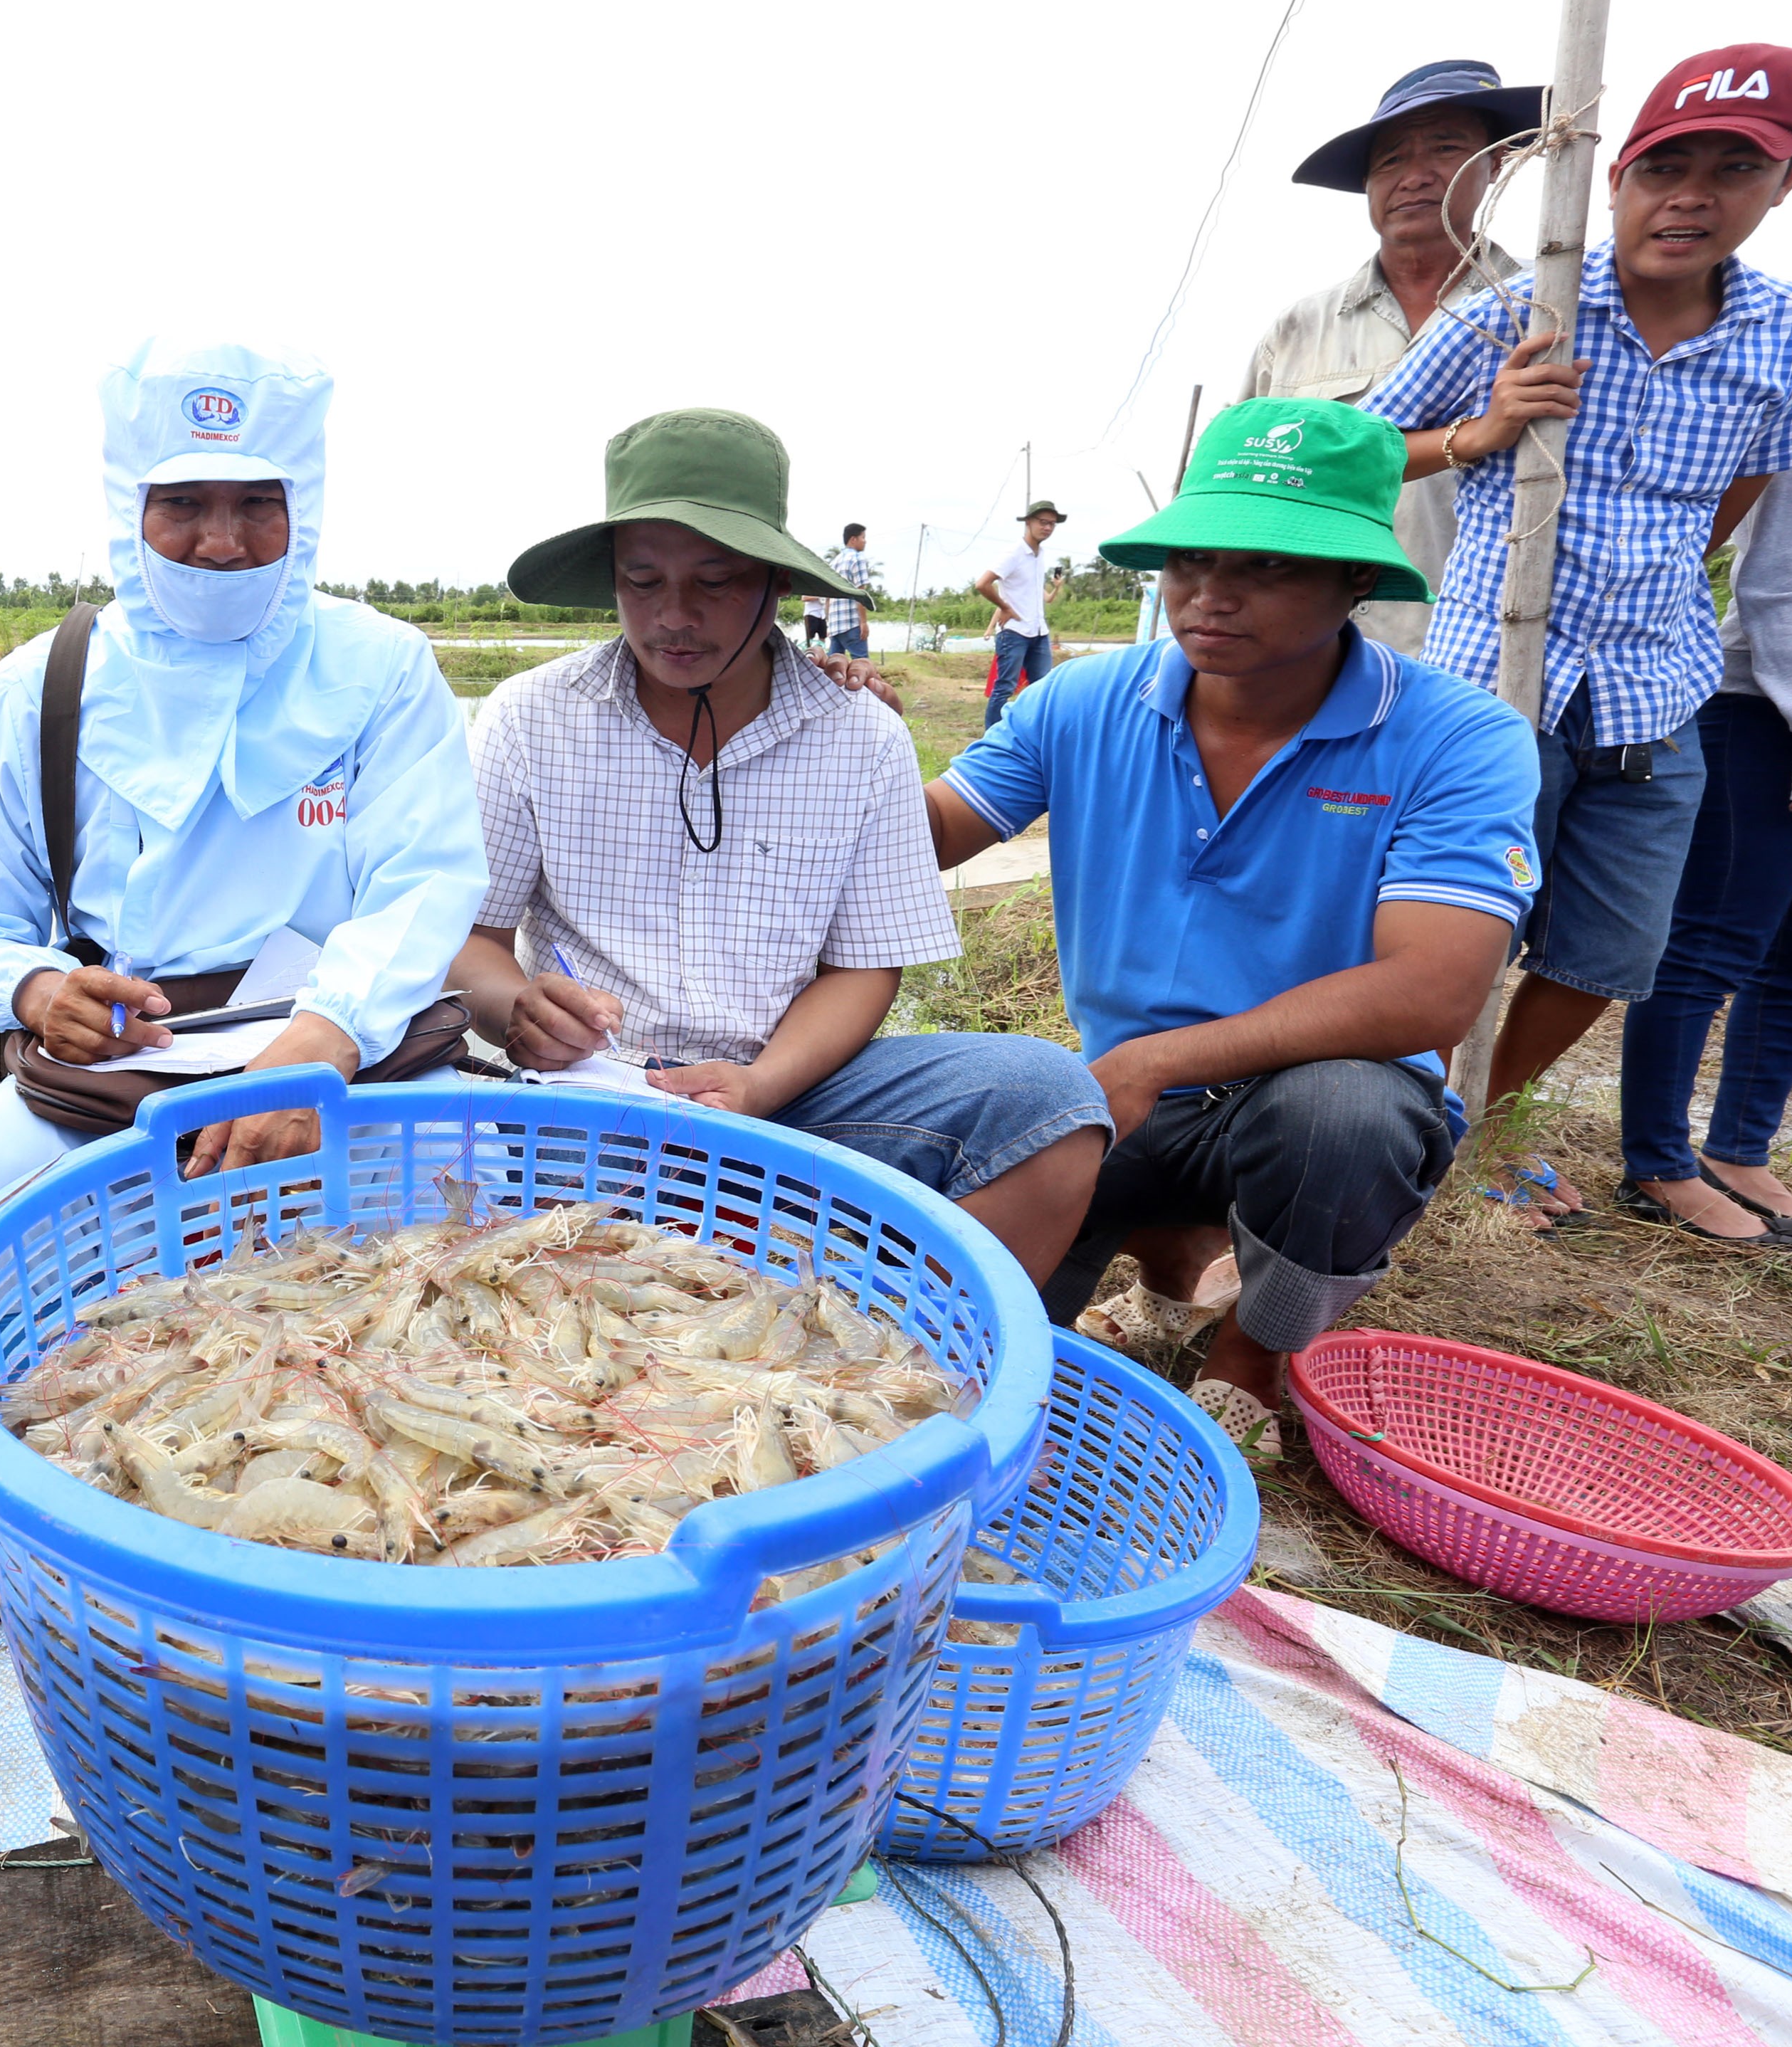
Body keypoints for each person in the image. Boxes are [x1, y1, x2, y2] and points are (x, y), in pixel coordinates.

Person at [926, 400, 1541, 1461]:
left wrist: (1159, 1058)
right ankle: (1173, 1269)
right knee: (981, 1343)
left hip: (1302, 1086)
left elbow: (1434, 991)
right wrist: (815, 727)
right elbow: (928, 835)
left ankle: (1256, 1354)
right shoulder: (1083, 703)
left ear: (1358, 580)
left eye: (1266, 565)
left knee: (1343, 1122)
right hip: (1120, 1091)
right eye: (1191, 559)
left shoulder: (1457, 738)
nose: (1211, 594)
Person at [448, 409, 1110, 1285]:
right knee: (599, 1270)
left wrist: (760, 1089)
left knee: (1048, 1101)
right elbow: (473, 940)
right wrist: (519, 1010)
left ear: (774, 583)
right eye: (642, 581)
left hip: (790, 1085)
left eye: (715, 582)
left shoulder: (859, 736)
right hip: (595, 1088)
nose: (673, 618)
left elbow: (866, 968)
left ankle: (920, 1358)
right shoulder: (532, 718)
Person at [1361, 42, 1792, 1226]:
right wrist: (1485, 428)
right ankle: (1388, 1126)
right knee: (1454, 924)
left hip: (1655, 683)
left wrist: (1665, 574)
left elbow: (1748, 490)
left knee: (1611, 948)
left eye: (1735, 170)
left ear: (1791, 181)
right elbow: (1361, 451)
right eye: (1666, 166)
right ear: (1615, 175)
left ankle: (1468, 1124)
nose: (1692, 196)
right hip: (1491, 676)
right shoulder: (1525, 311)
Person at [0, 338, 485, 1229]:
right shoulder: (37, 688)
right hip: (130, 1061)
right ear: (127, 505)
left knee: (461, 1183)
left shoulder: (382, 666)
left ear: (303, 508)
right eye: (182, 503)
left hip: (345, 1040)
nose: (221, 543)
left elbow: (425, 881)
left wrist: (327, 1034)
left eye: (258, 504)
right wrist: (37, 991)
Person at [1240, 58, 1538, 653]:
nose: (1416, 176)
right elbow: (1242, 487)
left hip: (1491, 650)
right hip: (1317, 647)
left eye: (1445, 149)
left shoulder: (1544, 311)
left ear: (1496, 162)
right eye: (1391, 160)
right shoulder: (1299, 329)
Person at [1616, 453, 1792, 1246]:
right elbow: (1788, 576)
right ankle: (1657, 1163)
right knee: (1713, 947)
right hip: (1773, 706)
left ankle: (1738, 1152)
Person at [976, 502, 1065, 727]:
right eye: (1042, 522)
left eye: (1052, 524)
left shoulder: (1040, 554)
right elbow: (983, 584)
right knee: (1005, 686)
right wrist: (1005, 607)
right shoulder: (1014, 553)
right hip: (1015, 632)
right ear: (1028, 522)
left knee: (1042, 687)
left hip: (1039, 631)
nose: (1047, 528)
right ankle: (991, 738)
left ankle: (1033, 735)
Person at [825, 522, 879, 661]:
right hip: (851, 623)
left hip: (836, 623)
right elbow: (860, 593)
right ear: (853, 539)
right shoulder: (857, 558)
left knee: (833, 668)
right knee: (862, 664)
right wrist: (863, 622)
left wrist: (828, 623)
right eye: (863, 537)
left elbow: (828, 597)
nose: (865, 541)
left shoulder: (834, 562)